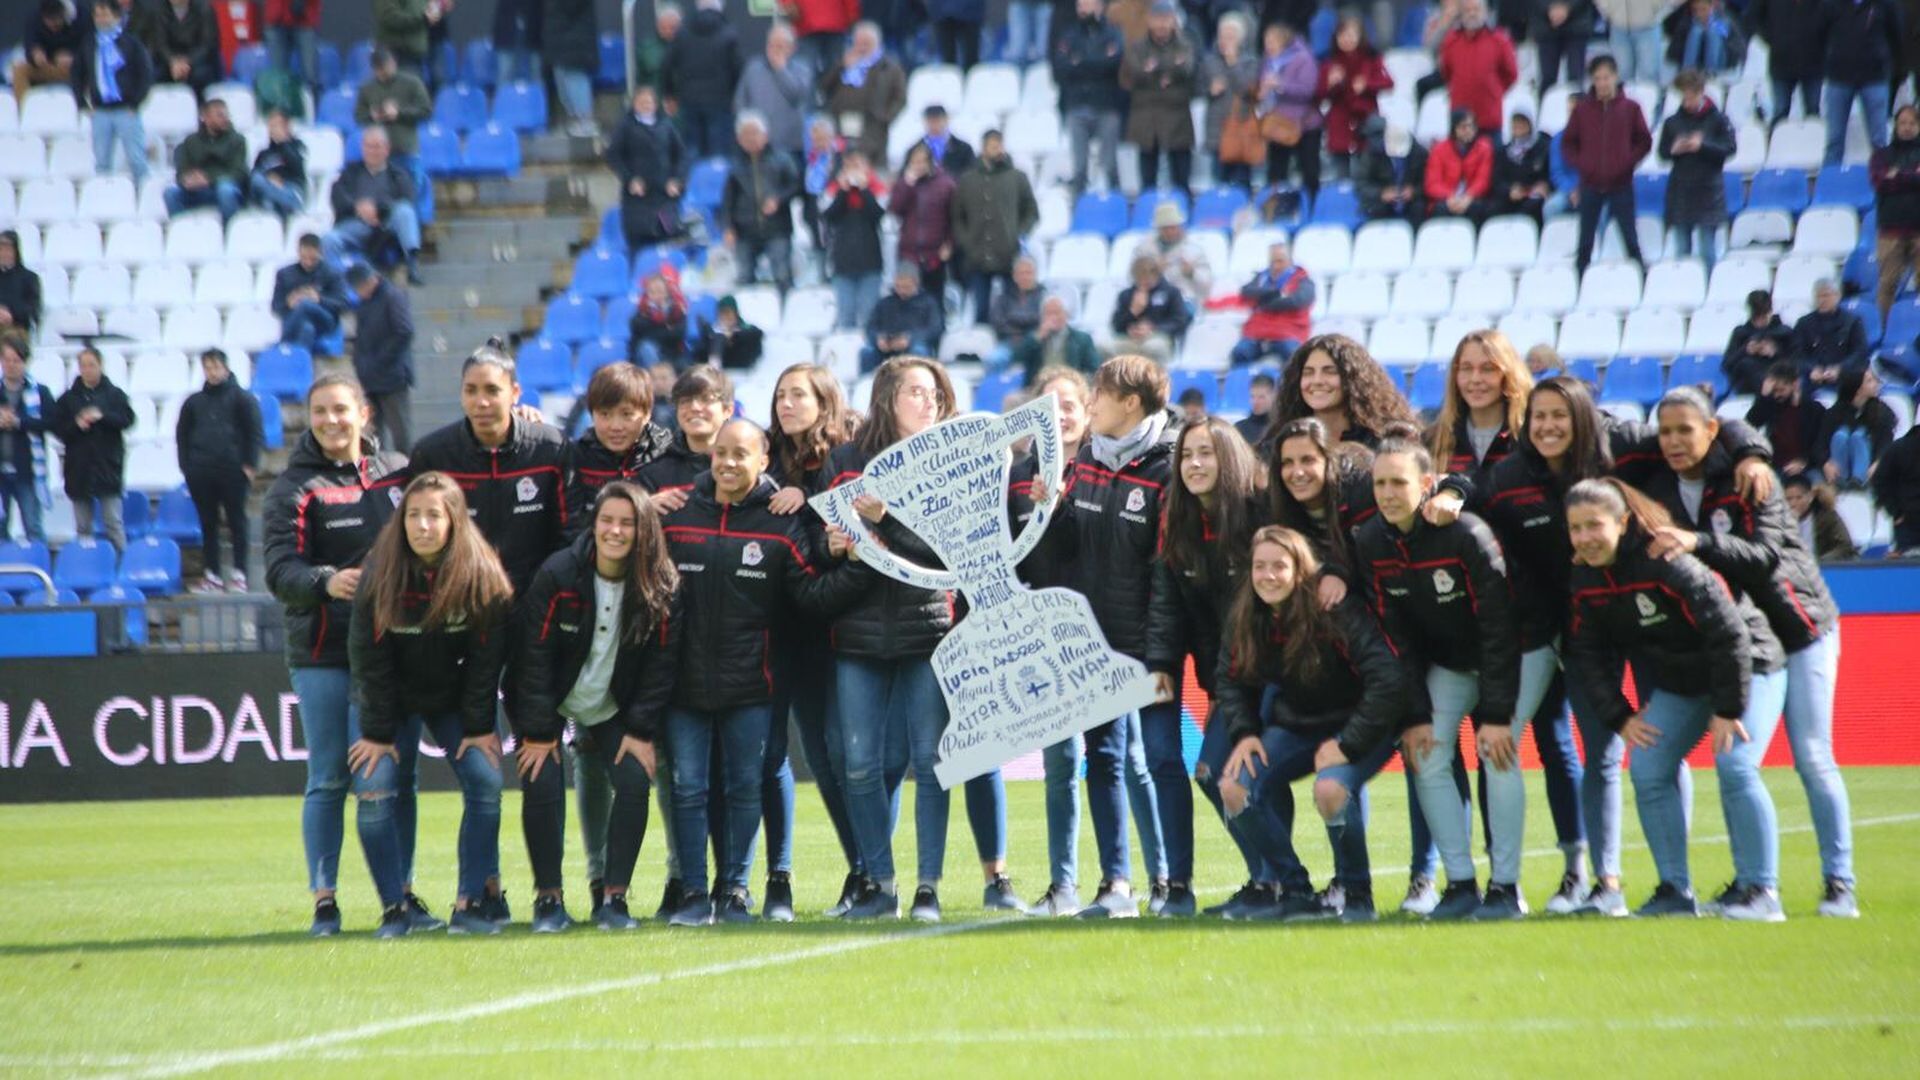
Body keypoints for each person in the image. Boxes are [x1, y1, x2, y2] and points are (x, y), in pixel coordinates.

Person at [1472, 376, 1775, 915]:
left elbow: (1700, 427)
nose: (1548, 427)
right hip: (1578, 622)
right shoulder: (1509, 477)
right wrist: (1450, 493)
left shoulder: (1624, 444)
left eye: (1560, 415)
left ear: (1582, 417)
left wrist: (1751, 452)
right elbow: (1472, 501)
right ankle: (1606, 882)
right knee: (1603, 752)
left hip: (1649, 625)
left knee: (1664, 751)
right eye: (1538, 417)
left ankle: (1681, 880)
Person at [1644, 385, 1856, 917]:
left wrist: (1698, 539)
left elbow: (1763, 557)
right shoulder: (1660, 480)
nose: (1673, 441)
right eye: (1665, 432)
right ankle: (1748, 884)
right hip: (1743, 638)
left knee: (1811, 755)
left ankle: (1840, 882)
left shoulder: (1750, 477)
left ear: (1712, 430)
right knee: (1734, 760)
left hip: (1800, 629)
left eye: (1685, 430)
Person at [823, 357, 1017, 920]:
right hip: (857, 634)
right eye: (915, 391)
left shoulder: (950, 459)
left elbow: (954, 551)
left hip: (929, 630)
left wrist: (887, 518)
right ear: (887, 398)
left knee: (933, 761)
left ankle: (927, 887)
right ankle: (880, 886)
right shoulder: (845, 460)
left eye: (934, 393)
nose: (928, 402)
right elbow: (819, 539)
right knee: (860, 765)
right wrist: (830, 546)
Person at [658, 419, 858, 924]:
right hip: (684, 684)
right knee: (688, 789)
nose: (728, 463)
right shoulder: (677, 515)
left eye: (740, 454)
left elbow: (811, 595)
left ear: (763, 461)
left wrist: (857, 564)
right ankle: (693, 894)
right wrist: (643, 506)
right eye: (721, 452)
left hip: (754, 684)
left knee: (745, 786)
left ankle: (734, 891)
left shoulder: (780, 522)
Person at [1563, 477, 1788, 920]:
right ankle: (1674, 891)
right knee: (1647, 766)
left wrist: (1727, 709)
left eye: (1595, 525)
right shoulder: (1584, 577)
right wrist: (1620, 717)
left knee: (1736, 765)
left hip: (1750, 666)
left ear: (1622, 523)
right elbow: (1587, 653)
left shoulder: (1668, 562)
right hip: (1683, 682)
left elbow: (1729, 634)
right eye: (1575, 528)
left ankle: (1762, 891)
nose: (1585, 538)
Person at [265, 374, 415, 937]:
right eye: (320, 411)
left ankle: (401, 895)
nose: (330, 420)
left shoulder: (398, 473)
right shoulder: (293, 488)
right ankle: (325, 902)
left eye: (340, 409)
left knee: (395, 779)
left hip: (391, 653)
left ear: (364, 413)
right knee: (329, 778)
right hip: (324, 652)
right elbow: (280, 571)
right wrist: (326, 581)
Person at [1356, 435, 1526, 919]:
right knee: (1427, 753)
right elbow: (1396, 640)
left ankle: (1506, 889)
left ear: (1427, 484)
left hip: (1517, 653)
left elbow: (1499, 627)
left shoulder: (1466, 533)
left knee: (1498, 751)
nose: (1388, 493)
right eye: (1380, 484)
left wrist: (1496, 714)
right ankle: (1460, 885)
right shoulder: (1370, 541)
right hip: (1452, 664)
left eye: (1399, 482)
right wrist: (1414, 716)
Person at [346, 472, 513, 937]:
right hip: (389, 702)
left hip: (453, 699)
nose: (422, 525)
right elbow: (368, 660)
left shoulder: (482, 576)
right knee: (375, 789)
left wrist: (479, 727)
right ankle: (395, 908)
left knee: (486, 781)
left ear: (454, 519)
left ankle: (468, 904)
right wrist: (378, 735)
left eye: (434, 515)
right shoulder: (379, 574)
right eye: (413, 515)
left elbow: (486, 663)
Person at [1214, 525, 1408, 921]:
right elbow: (1230, 680)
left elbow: (1389, 680)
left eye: (1279, 566)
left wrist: (1347, 744)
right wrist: (1245, 734)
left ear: (1300, 569)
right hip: (1299, 725)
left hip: (1362, 725)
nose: (1268, 576)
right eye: (1260, 566)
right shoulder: (1247, 613)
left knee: (1330, 789)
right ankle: (1296, 890)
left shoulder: (1333, 609)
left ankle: (1356, 895)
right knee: (1233, 787)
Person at [517, 482, 684, 932]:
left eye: (627, 523)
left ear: (644, 530)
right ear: (593, 525)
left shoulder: (662, 583)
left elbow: (661, 664)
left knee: (634, 778)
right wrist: (539, 731)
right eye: (607, 520)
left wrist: (640, 730)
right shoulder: (558, 573)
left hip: (612, 706)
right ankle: (548, 899)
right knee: (540, 777)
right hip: (553, 700)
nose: (615, 531)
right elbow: (532, 658)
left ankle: (614, 899)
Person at [1063, 356, 1188, 917]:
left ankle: (1173, 883)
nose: (1091, 402)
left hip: (1149, 645)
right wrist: (1050, 512)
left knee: (1161, 759)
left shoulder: (1170, 467)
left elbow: (1166, 574)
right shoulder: (1088, 458)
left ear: (1132, 403)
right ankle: (1116, 884)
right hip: (1095, 644)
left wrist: (1160, 655)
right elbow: (1070, 548)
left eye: (1101, 392)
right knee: (1104, 759)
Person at [1147, 417, 1279, 916]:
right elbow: (1167, 605)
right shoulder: (1178, 521)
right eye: (1186, 455)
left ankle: (1282, 881)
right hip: (1228, 679)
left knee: (1233, 774)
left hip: (1275, 673)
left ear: (1231, 459)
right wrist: (1162, 663)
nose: (1194, 464)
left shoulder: (1260, 512)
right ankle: (1269, 879)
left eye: (1206, 453)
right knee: (1214, 774)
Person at [764, 362, 863, 916]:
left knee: (850, 756)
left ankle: (873, 871)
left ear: (825, 401)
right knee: (822, 759)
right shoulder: (767, 459)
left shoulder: (849, 454)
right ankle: (861, 870)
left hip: (847, 625)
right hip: (792, 628)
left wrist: (807, 498)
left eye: (798, 394)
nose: (786, 403)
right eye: (780, 394)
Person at [408, 340, 568, 598]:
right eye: (471, 391)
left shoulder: (550, 449)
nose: (481, 402)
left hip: (535, 599)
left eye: (492, 390)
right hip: (460, 600)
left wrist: (545, 588)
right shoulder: (432, 455)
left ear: (515, 393)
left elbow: (569, 532)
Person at [175, 349, 263, 592]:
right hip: (201, 472)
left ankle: (240, 573)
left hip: (233, 471)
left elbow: (254, 433)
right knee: (207, 523)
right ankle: (211, 574)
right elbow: (182, 435)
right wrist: (187, 467)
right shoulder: (193, 402)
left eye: (216, 367)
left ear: (225, 367)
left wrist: (250, 465)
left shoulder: (243, 399)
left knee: (237, 522)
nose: (212, 372)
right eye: (208, 367)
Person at [1564, 55, 1652, 273]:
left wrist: (1627, 162)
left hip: (1621, 184)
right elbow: (1568, 143)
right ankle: (1580, 282)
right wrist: (1583, 164)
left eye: (1606, 77)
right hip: (1590, 184)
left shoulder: (1631, 108)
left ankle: (1641, 278)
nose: (1602, 83)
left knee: (1630, 238)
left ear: (1615, 77)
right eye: (1597, 78)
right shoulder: (1582, 110)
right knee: (1585, 242)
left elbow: (1644, 141)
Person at [563, 362, 675, 530]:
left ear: (647, 414)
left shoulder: (667, 454)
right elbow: (571, 527)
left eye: (627, 414)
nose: (616, 426)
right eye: (605, 414)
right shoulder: (577, 457)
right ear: (592, 414)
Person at [50, 347, 135, 552]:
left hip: (108, 468)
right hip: (78, 469)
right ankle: (85, 562)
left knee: (113, 523)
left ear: (100, 365)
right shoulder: (68, 399)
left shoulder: (115, 395)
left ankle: (122, 561)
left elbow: (128, 420)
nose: (87, 370)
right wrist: (77, 425)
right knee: (83, 526)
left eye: (92, 365)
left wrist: (102, 416)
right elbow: (57, 429)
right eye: (83, 366)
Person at [952, 130, 1040, 323]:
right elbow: (958, 216)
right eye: (993, 146)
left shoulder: (1017, 177)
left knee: (1012, 310)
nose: (998, 149)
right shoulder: (968, 180)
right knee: (981, 310)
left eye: (999, 145)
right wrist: (966, 241)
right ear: (983, 149)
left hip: (1008, 254)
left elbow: (1032, 211)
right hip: (977, 256)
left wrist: (1018, 233)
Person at [1659, 68, 1737, 270]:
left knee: (1707, 249)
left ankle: (1709, 283)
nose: (1687, 102)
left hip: (1708, 190)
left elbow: (1730, 148)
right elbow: (1662, 153)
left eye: (1691, 97)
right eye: (1684, 97)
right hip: (1681, 190)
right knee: (1682, 250)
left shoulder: (1718, 119)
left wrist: (1702, 145)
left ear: (1701, 92)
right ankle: (1684, 284)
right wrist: (1674, 149)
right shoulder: (1672, 122)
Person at [325, 127, 424, 282]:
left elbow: (408, 198)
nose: (372, 151)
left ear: (387, 149)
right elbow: (337, 196)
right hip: (355, 224)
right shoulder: (350, 172)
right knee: (328, 238)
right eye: (368, 146)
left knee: (405, 211)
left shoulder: (398, 174)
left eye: (377, 146)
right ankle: (336, 281)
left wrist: (377, 209)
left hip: (386, 224)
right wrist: (357, 207)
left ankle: (412, 263)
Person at [1123, 2, 1200, 199]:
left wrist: (1155, 69)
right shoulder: (1137, 46)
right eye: (1157, 19)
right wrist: (1170, 69)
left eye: (1166, 19)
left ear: (1174, 21)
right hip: (1147, 117)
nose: (1162, 25)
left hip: (1178, 117)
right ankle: (1147, 210)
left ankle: (1183, 208)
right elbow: (1135, 72)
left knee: (1181, 179)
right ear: (1149, 21)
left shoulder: (1185, 44)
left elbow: (1188, 69)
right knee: (1147, 179)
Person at [74, 0, 153, 186]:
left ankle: (142, 194)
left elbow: (145, 74)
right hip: (100, 111)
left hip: (126, 109)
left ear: (117, 17)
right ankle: (104, 196)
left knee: (136, 159)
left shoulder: (131, 43)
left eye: (105, 14)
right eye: (97, 15)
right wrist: (82, 103)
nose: (100, 19)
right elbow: (77, 74)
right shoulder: (88, 43)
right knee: (102, 162)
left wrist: (136, 103)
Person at [1054, 0, 1127, 198]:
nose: (1082, 9)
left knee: (1110, 165)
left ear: (1100, 6)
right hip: (1077, 105)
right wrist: (1098, 61)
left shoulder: (1113, 33)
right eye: (1079, 5)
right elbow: (1062, 67)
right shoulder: (1069, 34)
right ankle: (1079, 207)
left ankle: (1116, 204)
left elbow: (1113, 63)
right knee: (1079, 168)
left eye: (1087, 4)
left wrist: (1080, 62)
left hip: (1106, 106)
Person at [721, 113, 799, 293]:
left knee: (782, 276)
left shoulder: (782, 159)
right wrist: (728, 227)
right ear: (739, 139)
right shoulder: (735, 166)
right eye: (745, 134)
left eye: (754, 133)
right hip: (745, 231)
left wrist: (778, 199)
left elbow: (796, 186)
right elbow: (728, 200)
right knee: (744, 278)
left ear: (765, 135)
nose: (751, 138)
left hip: (777, 228)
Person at [606, 85, 688, 254]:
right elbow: (613, 156)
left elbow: (681, 155)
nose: (645, 105)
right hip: (637, 198)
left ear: (655, 104)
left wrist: (676, 180)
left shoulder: (666, 125)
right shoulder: (625, 126)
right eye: (641, 102)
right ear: (634, 104)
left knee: (668, 241)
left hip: (665, 196)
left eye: (649, 102)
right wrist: (630, 179)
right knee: (639, 244)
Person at [1819, 0, 1902, 166]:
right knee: (1834, 139)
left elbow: (1896, 34)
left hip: (1875, 78)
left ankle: (1882, 177)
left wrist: (1880, 58)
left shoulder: (1885, 4)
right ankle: (1831, 179)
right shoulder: (1831, 4)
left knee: (1879, 139)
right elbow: (1820, 33)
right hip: (1839, 77)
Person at [637, 365, 733, 504]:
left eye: (706, 399)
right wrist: (645, 508)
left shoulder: (744, 464)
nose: (694, 407)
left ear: (728, 410)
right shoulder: (655, 470)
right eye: (685, 401)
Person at [346, 264, 415, 454]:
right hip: (369, 378)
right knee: (373, 435)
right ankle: (377, 470)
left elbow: (404, 331)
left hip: (392, 377)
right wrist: (361, 364)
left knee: (400, 433)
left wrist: (381, 361)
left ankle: (407, 468)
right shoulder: (364, 304)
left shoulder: (392, 297)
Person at [663, 0, 742, 159]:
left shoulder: (682, 32)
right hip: (720, 100)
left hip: (689, 99)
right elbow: (737, 68)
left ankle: (694, 175)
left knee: (692, 150)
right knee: (719, 152)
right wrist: (736, 95)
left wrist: (669, 94)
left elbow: (667, 64)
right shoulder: (729, 33)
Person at [818, 22, 907, 165]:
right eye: (859, 43)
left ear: (877, 43)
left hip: (872, 127)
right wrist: (841, 66)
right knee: (842, 163)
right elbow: (824, 87)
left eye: (867, 43)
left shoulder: (890, 67)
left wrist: (885, 118)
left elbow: (900, 98)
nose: (862, 48)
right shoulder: (844, 62)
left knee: (869, 166)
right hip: (841, 123)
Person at [1315, 13, 1390, 180]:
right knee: (1341, 175)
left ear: (1360, 37)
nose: (1346, 39)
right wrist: (1330, 84)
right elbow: (1319, 94)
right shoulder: (1330, 63)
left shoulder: (1371, 59)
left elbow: (1388, 82)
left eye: (1351, 35)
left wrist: (1367, 84)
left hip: (1365, 124)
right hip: (1339, 124)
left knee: (1366, 173)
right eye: (1342, 35)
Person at [1256, 20, 1321, 200]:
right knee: (1276, 172)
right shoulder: (1268, 62)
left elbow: (1307, 91)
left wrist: (1281, 85)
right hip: (1278, 124)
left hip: (1305, 125)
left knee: (1309, 171)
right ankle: (1276, 206)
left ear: (1283, 40)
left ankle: (1312, 205)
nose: (1268, 46)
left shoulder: (1303, 59)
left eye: (1272, 41)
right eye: (1266, 41)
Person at [0, 336, 55, 546]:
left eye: (16, 360)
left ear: (25, 362)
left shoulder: (40, 392)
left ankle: (38, 563)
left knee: (33, 526)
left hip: (27, 470)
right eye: (7, 360)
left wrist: (19, 422)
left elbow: (51, 422)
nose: (11, 365)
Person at [824, 151, 887, 331]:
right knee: (846, 316)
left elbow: (877, 215)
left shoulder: (877, 189)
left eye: (857, 166)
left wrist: (865, 189)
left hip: (870, 262)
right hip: (843, 263)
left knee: (869, 316)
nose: (853, 171)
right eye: (849, 166)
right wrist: (843, 192)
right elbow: (830, 216)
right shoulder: (833, 190)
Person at [734, 23, 812, 164]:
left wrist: (781, 70)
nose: (775, 50)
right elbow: (740, 101)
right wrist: (747, 130)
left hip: (790, 144)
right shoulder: (753, 67)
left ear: (792, 48)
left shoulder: (802, 69)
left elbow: (797, 96)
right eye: (771, 45)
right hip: (758, 145)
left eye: (780, 46)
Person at [1437, 0, 1517, 136]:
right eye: (1467, 10)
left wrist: (1493, 90)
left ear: (1485, 12)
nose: (1472, 14)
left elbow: (1511, 74)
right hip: (1460, 122)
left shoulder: (1499, 40)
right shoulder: (1451, 41)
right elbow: (1446, 72)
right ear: (1461, 13)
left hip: (1489, 120)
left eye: (1476, 9)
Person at [1231, 242, 1315, 367]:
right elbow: (1246, 291)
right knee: (1239, 353)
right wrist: (1276, 293)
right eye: (1272, 262)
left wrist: (1263, 301)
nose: (1275, 266)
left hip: (1288, 332)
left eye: (1280, 261)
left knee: (1294, 356)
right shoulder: (1262, 277)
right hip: (1258, 333)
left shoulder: (1302, 280)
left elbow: (1298, 301)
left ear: (1290, 261)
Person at [1200, 12, 1259, 189]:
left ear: (1240, 39)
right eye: (1222, 36)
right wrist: (1210, 91)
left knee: (1242, 183)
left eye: (1231, 37)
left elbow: (1247, 90)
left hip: (1242, 130)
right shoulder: (1209, 61)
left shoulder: (1251, 62)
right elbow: (1198, 88)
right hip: (1218, 130)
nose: (1225, 41)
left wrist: (1233, 64)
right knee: (1220, 182)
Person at [1871, 106, 1920, 321]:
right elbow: (1880, 183)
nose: (1907, 127)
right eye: (1903, 123)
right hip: (1890, 231)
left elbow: (1891, 181)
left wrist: (1897, 175)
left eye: (1912, 123)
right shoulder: (1881, 155)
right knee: (1887, 284)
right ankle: (1884, 329)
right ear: (1896, 125)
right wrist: (1913, 176)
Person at [164, 97, 246, 221]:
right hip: (197, 190)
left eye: (226, 115)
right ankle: (181, 227)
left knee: (225, 190)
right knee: (170, 193)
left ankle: (229, 228)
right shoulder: (191, 141)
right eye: (220, 115)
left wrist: (208, 179)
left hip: (223, 188)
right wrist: (187, 180)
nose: (225, 118)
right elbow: (181, 171)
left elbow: (238, 172)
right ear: (205, 117)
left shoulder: (237, 140)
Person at [1748, 0, 1827, 124]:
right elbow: (1755, 15)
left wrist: (1822, 42)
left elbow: (1830, 16)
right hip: (1781, 61)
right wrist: (1773, 38)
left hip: (1813, 61)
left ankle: (1812, 137)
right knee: (1781, 112)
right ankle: (1776, 136)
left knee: (1813, 114)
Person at [1819, 367, 1897, 488]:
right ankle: (1841, 482)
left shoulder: (1882, 412)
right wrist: (1825, 463)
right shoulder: (1834, 413)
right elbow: (1820, 445)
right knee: (1840, 435)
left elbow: (1886, 442)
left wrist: (1878, 462)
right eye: (1869, 381)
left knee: (1858, 436)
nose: (1876, 384)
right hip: (1838, 470)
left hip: (1868, 469)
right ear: (1858, 390)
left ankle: (1858, 481)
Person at [1103, 255, 1191, 362]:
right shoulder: (1126, 295)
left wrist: (1153, 328)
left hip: (1159, 337)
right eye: (1140, 279)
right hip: (1130, 339)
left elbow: (1180, 322)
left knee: (1152, 348)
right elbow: (1116, 325)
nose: (1144, 282)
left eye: (1148, 278)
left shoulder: (1171, 293)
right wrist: (1132, 312)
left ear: (1156, 275)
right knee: (1104, 347)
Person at [861, 264, 945, 373]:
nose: (902, 291)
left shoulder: (928, 303)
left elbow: (935, 329)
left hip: (913, 345)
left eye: (906, 287)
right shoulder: (885, 303)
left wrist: (910, 338)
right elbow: (870, 327)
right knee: (867, 352)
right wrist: (878, 338)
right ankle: (868, 381)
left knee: (919, 350)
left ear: (916, 283)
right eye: (898, 286)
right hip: (887, 347)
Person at [1747, 361, 1828, 473]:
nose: (1777, 395)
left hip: (1808, 467)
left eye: (1781, 390)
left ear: (1795, 385)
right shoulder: (1769, 406)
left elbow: (1820, 442)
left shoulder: (1813, 409)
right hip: (1776, 466)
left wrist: (1804, 462)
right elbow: (1748, 427)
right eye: (1773, 391)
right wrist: (1763, 397)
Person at [274, 235, 349, 355]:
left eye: (313, 259)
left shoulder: (332, 273)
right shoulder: (284, 274)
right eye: (304, 258)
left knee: (305, 304)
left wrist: (319, 299)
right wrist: (288, 303)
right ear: (298, 252)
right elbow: (276, 306)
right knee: (307, 329)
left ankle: (282, 344)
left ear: (320, 253)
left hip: (324, 319)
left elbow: (343, 304)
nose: (308, 263)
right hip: (297, 321)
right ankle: (300, 363)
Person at [353, 48, 432, 160]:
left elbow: (426, 111)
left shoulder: (412, 83)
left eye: (387, 67)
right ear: (374, 69)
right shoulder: (366, 88)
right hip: (378, 152)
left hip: (405, 149)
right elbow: (358, 116)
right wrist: (372, 115)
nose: (384, 72)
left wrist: (399, 113)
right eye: (379, 69)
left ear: (393, 63)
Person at [1792, 279, 1871, 386]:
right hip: (1812, 378)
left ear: (1837, 296)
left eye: (1826, 295)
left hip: (1844, 377)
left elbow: (1859, 352)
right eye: (1818, 296)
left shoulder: (1852, 322)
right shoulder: (1804, 323)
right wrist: (1811, 369)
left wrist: (1840, 369)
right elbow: (1797, 354)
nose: (1822, 300)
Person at [1424, 108, 1495, 223]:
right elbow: (1432, 183)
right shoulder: (1439, 149)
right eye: (1463, 127)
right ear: (1454, 128)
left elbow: (1483, 180)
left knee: (1479, 207)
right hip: (1447, 198)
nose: (1468, 130)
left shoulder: (1484, 148)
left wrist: (1468, 197)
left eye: (1471, 126)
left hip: (1472, 197)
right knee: (1440, 209)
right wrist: (1450, 197)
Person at [1135, 203, 1213, 306]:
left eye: (1173, 227)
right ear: (1158, 229)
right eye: (1165, 228)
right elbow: (1132, 279)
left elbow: (1207, 284)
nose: (1170, 232)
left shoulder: (1193, 250)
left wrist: (1191, 273)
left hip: (1184, 299)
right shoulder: (1144, 249)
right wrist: (1152, 272)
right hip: (1151, 300)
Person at [541, 0, 598, 137]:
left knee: (575, 79)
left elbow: (570, 7)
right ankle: (573, 118)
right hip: (558, 42)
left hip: (576, 43)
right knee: (563, 83)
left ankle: (585, 121)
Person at [1725, 290, 1798, 395]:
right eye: (1756, 317)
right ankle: (1769, 388)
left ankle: (1774, 388)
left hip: (1779, 377)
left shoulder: (1784, 332)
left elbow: (1796, 361)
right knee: (1746, 364)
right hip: (1749, 384)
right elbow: (1727, 364)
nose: (1760, 322)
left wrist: (1775, 352)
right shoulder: (1740, 333)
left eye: (1763, 316)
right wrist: (1745, 350)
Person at [1015, 295, 1101, 383]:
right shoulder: (1034, 338)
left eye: (1057, 312)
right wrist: (1037, 338)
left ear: (1066, 314)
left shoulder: (1082, 339)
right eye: (1048, 313)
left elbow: (1094, 370)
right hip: (1039, 386)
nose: (1053, 317)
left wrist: (1079, 383)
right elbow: (1017, 361)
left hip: (1070, 387)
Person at [144, 0, 218, 99]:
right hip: (168, 60)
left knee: (201, 74)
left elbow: (207, 44)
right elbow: (159, 43)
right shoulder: (158, 9)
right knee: (153, 72)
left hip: (196, 60)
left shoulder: (204, 8)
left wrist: (187, 62)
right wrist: (173, 61)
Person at [1355, 118, 1427, 220]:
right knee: (1377, 208)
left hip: (1410, 198)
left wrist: (1414, 191)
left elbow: (1427, 181)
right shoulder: (1371, 154)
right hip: (1381, 197)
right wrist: (1381, 193)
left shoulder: (1419, 153)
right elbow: (1361, 184)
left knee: (1419, 208)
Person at [13, 1, 80, 104]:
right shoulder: (34, 18)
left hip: (75, 68)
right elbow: (29, 44)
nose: (53, 27)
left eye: (56, 23)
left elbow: (89, 47)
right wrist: (35, 54)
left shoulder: (81, 17)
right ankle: (24, 108)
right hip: (46, 66)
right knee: (20, 70)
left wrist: (74, 57)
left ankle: (85, 108)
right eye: (49, 22)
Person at [1662, 0, 1746, 81]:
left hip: (1719, 61)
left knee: (1712, 32)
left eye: (1703, 9)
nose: (1699, 14)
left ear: (1712, 7)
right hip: (1694, 61)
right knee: (1696, 31)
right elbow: (1674, 50)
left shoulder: (1722, 21)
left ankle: (1710, 73)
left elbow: (1734, 43)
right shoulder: (1687, 22)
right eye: (1696, 10)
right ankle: (1688, 72)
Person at [1783, 472, 1860, 561]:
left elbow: (1844, 545)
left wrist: (1822, 561)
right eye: (1788, 499)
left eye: (1799, 498)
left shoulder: (1826, 515)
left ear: (1810, 496)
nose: (1793, 504)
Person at [1495, 105, 1554, 221]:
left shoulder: (1543, 147)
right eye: (1515, 122)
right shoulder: (1504, 151)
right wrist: (1510, 190)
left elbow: (1548, 174)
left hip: (1534, 195)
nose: (1518, 125)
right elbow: (1498, 180)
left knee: (1534, 205)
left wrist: (1544, 186)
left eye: (1522, 121)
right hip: (1512, 195)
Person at [1871, 414, 1920, 551]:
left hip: (1906, 521)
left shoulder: (1896, 448)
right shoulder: (1898, 449)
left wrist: (1895, 511)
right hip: (1907, 522)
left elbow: (1879, 480)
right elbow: (1880, 480)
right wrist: (1895, 511)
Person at [988, 256, 1046, 370]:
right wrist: (1019, 329)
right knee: (994, 360)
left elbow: (1042, 320)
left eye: (1028, 273)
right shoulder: (1004, 296)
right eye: (1021, 273)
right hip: (1009, 342)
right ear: (1014, 276)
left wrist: (1013, 319)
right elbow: (997, 321)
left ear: (1035, 275)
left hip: (1037, 344)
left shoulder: (1044, 296)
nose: (1025, 277)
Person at [249, 110, 309, 219]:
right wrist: (269, 179)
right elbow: (254, 177)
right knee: (258, 181)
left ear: (286, 127)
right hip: (269, 192)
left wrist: (283, 142)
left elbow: (298, 166)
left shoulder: (297, 146)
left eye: (276, 126)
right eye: (270, 126)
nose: (272, 130)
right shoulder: (264, 153)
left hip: (291, 190)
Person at [782, 0, 858, 82]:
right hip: (832, 22)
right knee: (835, 73)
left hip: (808, 24)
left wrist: (788, 4)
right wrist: (852, 15)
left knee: (805, 72)